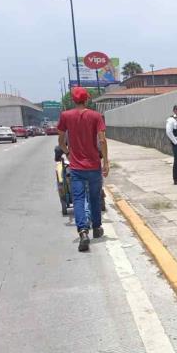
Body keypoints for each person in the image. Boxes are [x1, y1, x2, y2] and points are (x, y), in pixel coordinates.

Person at [57, 87, 109, 252]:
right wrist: (106, 161)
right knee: (94, 198)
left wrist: (69, 153)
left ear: (73, 100)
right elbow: (102, 140)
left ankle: (83, 231)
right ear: (87, 99)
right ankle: (97, 227)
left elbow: (60, 141)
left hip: (76, 167)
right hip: (93, 165)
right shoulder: (95, 116)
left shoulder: (66, 116)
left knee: (78, 199)